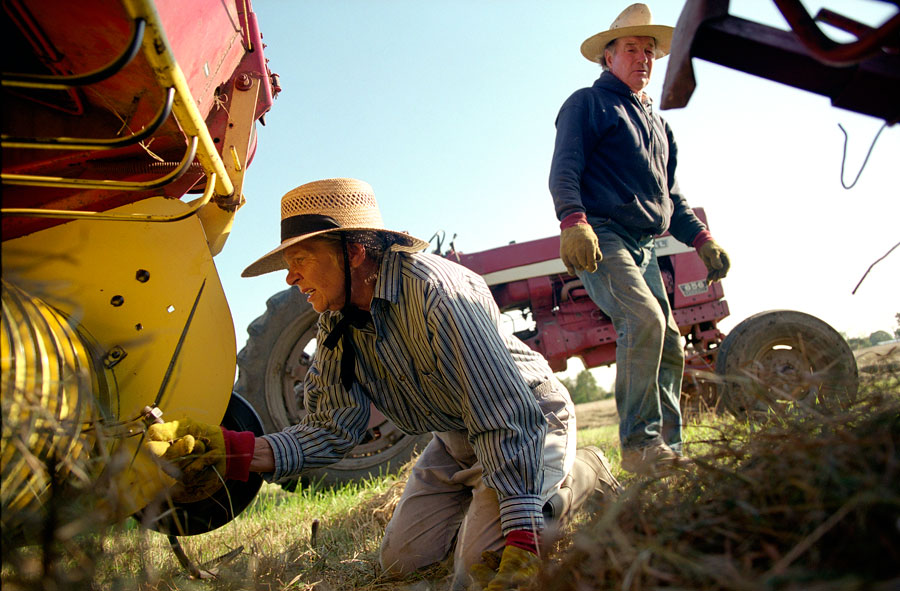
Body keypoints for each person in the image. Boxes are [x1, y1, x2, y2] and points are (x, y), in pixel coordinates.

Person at [146, 178, 620, 590]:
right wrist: (235, 452)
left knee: (479, 574)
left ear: (354, 252)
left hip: (528, 424)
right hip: (457, 440)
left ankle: (580, 474)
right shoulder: (337, 322)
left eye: (302, 258)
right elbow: (331, 428)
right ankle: (494, 502)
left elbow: (506, 415)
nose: (292, 277)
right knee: (401, 563)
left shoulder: (439, 294)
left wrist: (522, 537)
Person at [548, 4, 731, 476]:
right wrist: (574, 222)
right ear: (608, 57)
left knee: (667, 339)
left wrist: (702, 240)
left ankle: (669, 449)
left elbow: (671, 196)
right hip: (602, 237)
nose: (643, 58)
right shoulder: (588, 104)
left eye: (649, 51)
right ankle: (641, 446)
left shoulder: (659, 126)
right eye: (631, 49)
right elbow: (564, 169)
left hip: (644, 245)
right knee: (643, 318)